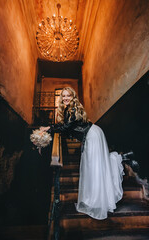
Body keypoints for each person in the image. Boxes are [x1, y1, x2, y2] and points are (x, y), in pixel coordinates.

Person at [40, 87, 124, 220]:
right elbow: (67, 128)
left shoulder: (73, 109)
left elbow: (65, 128)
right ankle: (97, 197)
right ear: (61, 98)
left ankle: (97, 200)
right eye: (63, 96)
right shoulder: (68, 110)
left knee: (94, 167)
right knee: (93, 167)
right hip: (92, 134)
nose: (66, 98)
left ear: (73, 97)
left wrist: (48, 128)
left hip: (92, 135)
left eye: (68, 96)